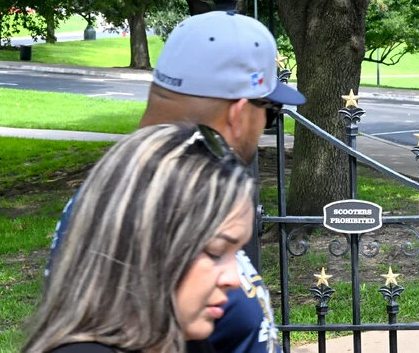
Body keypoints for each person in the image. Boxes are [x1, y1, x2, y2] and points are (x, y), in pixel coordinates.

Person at [49, 10, 306, 353]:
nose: (226, 275)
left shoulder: (117, 191)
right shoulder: (152, 204)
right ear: (239, 112)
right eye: (270, 113)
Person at [24, 124, 257, 353]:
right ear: (144, 243)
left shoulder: (185, 340)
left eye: (236, 253)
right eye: (216, 252)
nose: (235, 279)